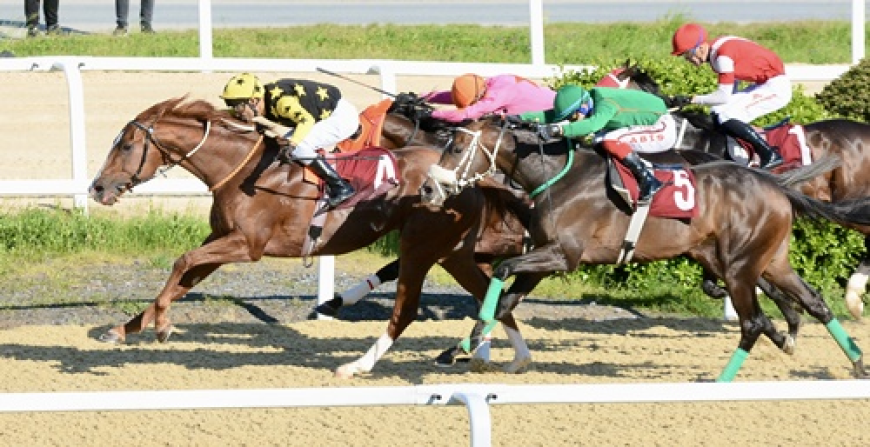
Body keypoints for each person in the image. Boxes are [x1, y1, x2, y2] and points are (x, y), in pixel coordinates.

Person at [519, 84, 678, 203]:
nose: (572, 121)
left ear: (583, 107)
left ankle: (648, 180)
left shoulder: (605, 104)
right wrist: (521, 118)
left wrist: (558, 131)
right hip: (641, 124)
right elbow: (552, 115)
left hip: (661, 126)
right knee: (598, 141)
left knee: (608, 140)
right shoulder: (588, 101)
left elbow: (592, 125)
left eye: (573, 118)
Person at [220, 73, 357, 208]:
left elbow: (306, 120)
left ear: (253, 101)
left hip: (341, 119)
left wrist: (293, 144)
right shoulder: (264, 99)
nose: (237, 112)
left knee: (299, 146)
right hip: (328, 112)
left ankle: (340, 186)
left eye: (238, 106)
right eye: (231, 106)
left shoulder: (281, 102)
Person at [670, 23, 790, 170]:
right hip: (765, 83)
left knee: (727, 116)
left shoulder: (722, 57)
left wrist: (692, 99)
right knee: (717, 111)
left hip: (776, 88)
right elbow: (732, 85)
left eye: (688, 55)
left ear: (700, 48)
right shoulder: (718, 49)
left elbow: (723, 96)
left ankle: (769, 154)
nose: (688, 60)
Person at [423, 73, 556, 122]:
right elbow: (455, 96)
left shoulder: (496, 96)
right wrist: (423, 97)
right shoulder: (490, 83)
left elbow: (466, 114)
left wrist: (431, 113)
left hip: (555, 114)